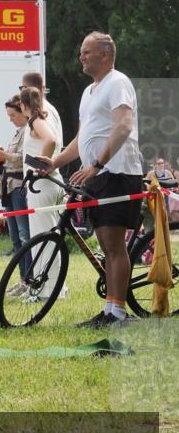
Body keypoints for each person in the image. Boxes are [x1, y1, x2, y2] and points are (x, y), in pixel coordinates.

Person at [39, 32, 143, 326]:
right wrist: (55, 162)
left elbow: (123, 127)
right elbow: (81, 137)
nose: (81, 57)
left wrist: (97, 164)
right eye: (81, 52)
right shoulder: (89, 92)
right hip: (98, 173)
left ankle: (118, 312)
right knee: (105, 244)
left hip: (117, 171)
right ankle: (110, 309)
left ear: (105, 55)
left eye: (87, 52)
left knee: (113, 245)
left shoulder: (118, 82)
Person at [0, 95, 32, 294]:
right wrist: (1, 154)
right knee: (15, 238)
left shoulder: (29, 131)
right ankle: (23, 279)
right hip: (9, 186)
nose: (10, 119)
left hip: (19, 187)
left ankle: (29, 279)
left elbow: (22, 160)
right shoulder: (18, 132)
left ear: (23, 113)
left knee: (24, 235)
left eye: (13, 115)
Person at [19, 86, 65, 299]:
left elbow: (51, 140)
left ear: (23, 104)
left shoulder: (35, 121)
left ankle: (46, 291)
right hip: (50, 182)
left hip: (43, 183)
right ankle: (55, 288)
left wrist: (41, 166)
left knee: (43, 238)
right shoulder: (43, 118)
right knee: (50, 237)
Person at [20, 71, 63, 149]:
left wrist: (43, 161)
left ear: (25, 88)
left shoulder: (41, 110)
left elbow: (51, 141)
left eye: (21, 88)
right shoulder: (45, 108)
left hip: (43, 160)